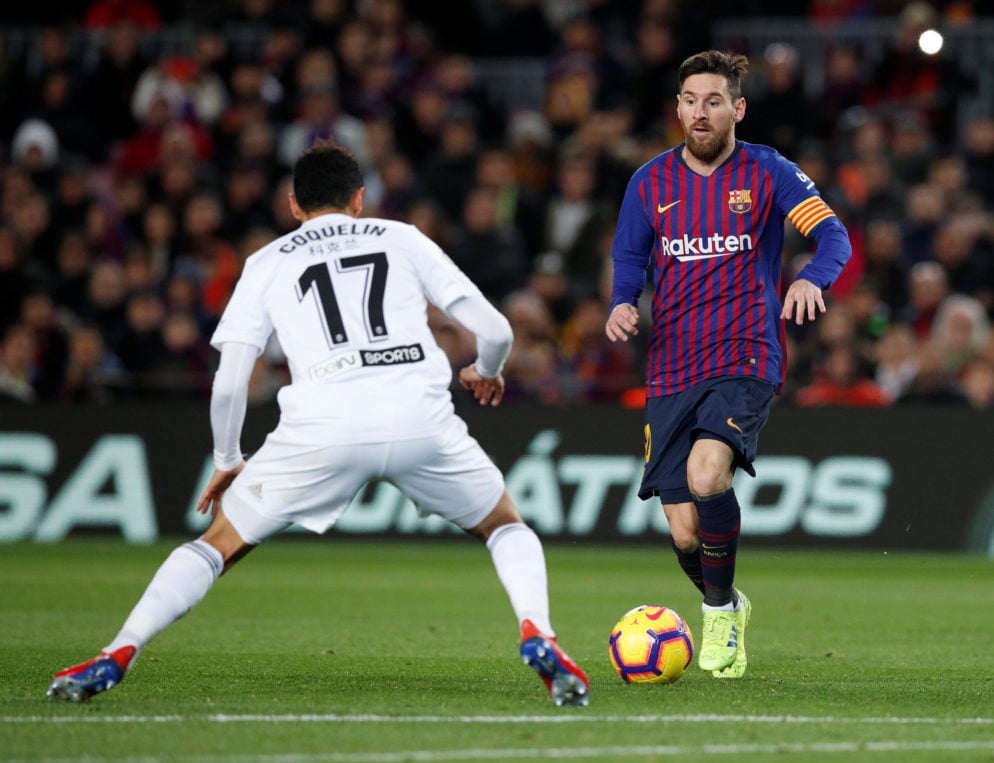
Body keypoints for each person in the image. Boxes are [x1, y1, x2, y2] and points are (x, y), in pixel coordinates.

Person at [47, 140, 589, 708]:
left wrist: (228, 458)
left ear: (293, 204)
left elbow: (229, 382)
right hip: (419, 417)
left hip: (323, 426)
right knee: (505, 525)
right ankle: (538, 632)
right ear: (359, 199)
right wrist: (487, 371)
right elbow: (497, 330)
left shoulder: (267, 261)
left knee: (218, 544)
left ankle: (118, 651)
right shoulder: (402, 237)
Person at [604, 50, 851, 679]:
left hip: (745, 353)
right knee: (685, 532)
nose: (700, 112)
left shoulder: (768, 172)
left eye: (714, 101)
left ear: (737, 109)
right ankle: (730, 601)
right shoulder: (649, 182)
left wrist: (811, 278)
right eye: (690, 101)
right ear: (678, 107)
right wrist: (622, 303)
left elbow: (833, 236)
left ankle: (717, 619)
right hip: (671, 367)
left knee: (708, 472)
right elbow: (630, 258)